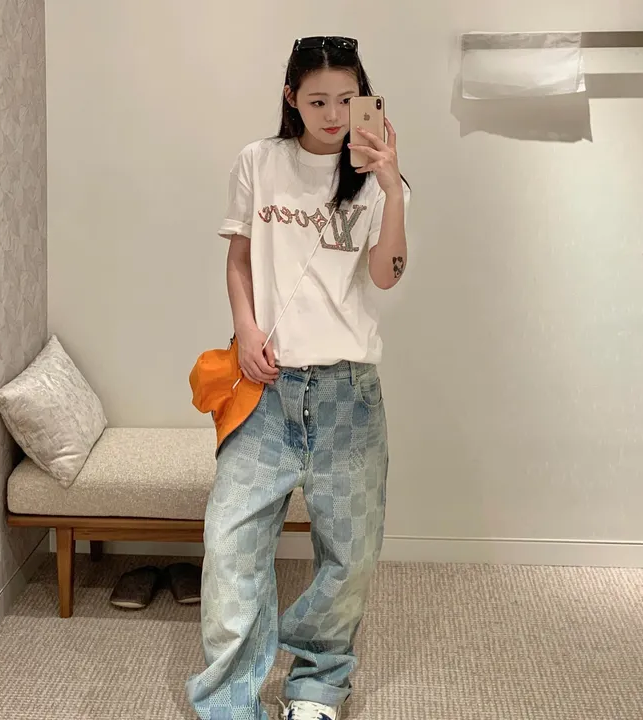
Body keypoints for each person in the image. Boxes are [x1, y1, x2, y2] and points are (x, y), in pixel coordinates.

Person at [186, 35, 410, 720]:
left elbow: (387, 274)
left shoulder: (377, 180)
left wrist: (391, 183)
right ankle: (230, 702)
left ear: (365, 99)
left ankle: (317, 685)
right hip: (266, 390)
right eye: (318, 101)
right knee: (231, 547)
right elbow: (239, 261)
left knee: (350, 554)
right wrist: (246, 329)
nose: (334, 115)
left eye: (347, 99)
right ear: (291, 98)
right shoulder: (259, 162)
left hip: (348, 396)